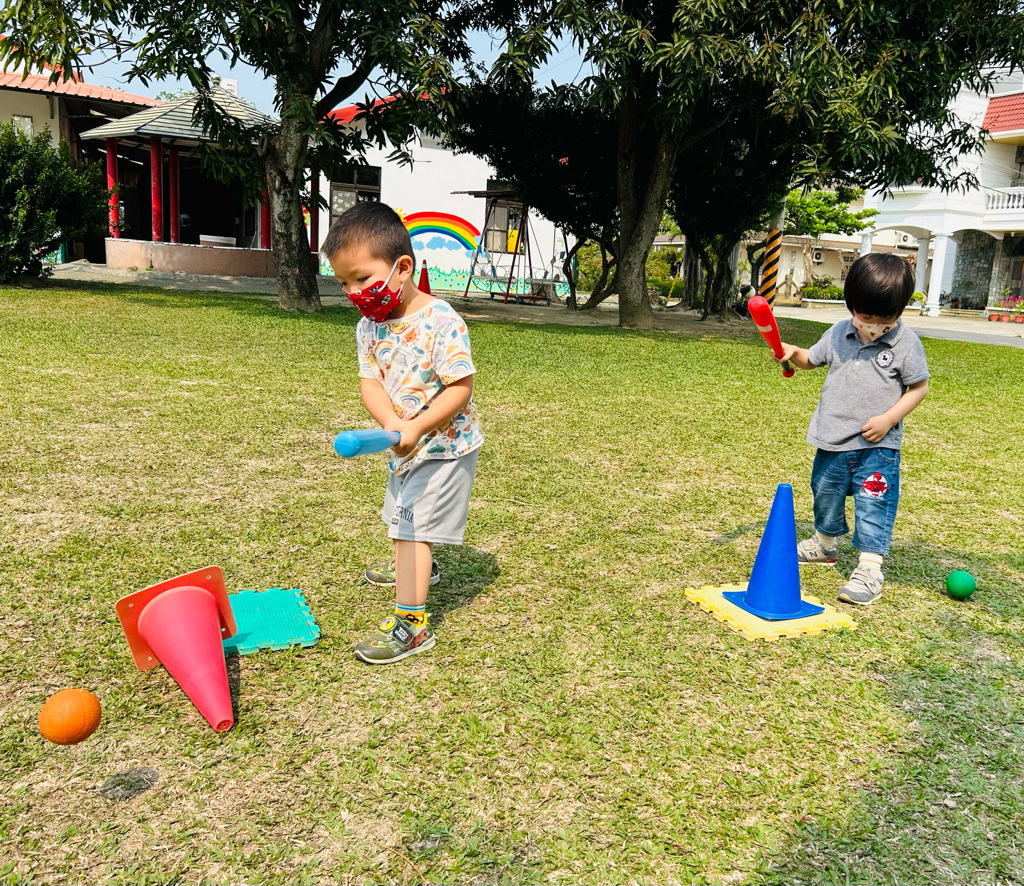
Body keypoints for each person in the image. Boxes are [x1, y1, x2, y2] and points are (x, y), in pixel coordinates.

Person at [322, 202, 483, 662]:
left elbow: (461, 388)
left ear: (403, 268)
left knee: (411, 529)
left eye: (362, 278)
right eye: (344, 283)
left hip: (445, 447)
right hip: (404, 444)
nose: (354, 292)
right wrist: (392, 424)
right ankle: (416, 569)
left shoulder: (441, 320)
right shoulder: (368, 327)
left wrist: (416, 425)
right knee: (399, 520)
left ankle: (412, 626)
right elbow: (370, 382)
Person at [775, 253, 929, 605]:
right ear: (852, 305)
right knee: (824, 494)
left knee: (874, 503)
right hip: (832, 438)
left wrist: (889, 419)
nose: (874, 326)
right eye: (866, 317)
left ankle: (870, 569)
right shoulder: (837, 333)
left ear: (900, 310)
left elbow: (918, 388)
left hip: (879, 447)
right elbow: (811, 360)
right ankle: (824, 546)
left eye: (885, 320)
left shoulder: (906, 344)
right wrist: (792, 351)